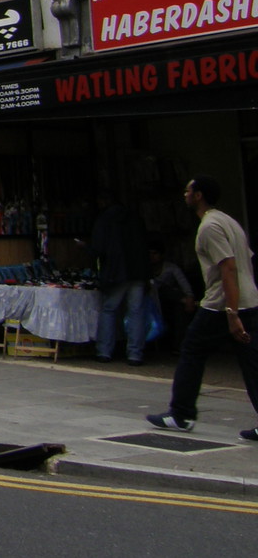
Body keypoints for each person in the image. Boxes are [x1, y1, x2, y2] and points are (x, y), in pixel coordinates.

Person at [146, 175, 258, 439]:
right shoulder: (229, 221)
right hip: (249, 300)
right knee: (252, 362)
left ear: (198, 196)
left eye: (188, 191)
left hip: (222, 304)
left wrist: (231, 313)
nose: (184, 195)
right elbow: (248, 261)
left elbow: (228, 266)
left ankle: (181, 414)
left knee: (192, 350)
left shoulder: (209, 227)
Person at [91, 192, 150, 365]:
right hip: (137, 270)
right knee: (136, 312)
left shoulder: (104, 220)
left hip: (116, 271)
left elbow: (98, 248)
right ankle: (135, 354)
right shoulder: (135, 219)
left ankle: (104, 351)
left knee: (109, 310)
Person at [149, 239, 196, 354]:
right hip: (152, 300)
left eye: (155, 253)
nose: (152, 257)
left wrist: (189, 297)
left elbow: (183, 283)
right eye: (149, 253)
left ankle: (179, 345)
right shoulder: (145, 269)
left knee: (179, 309)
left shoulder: (171, 268)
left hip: (169, 299)